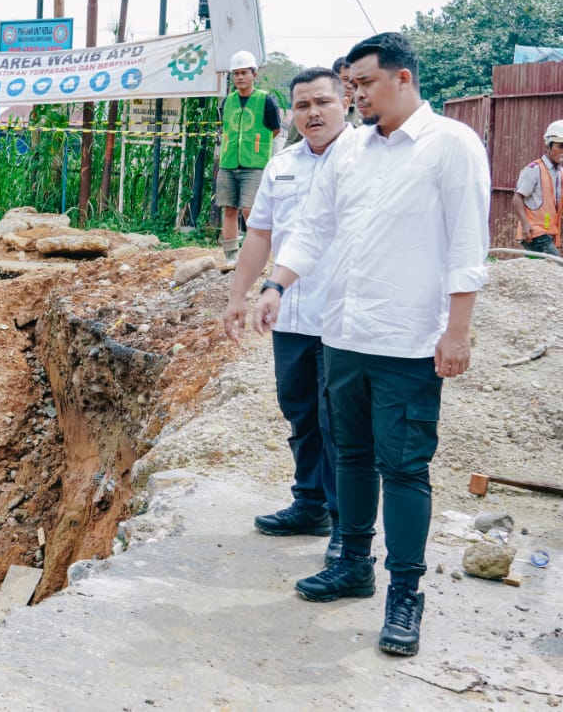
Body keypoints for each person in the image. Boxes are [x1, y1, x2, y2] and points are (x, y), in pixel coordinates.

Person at [250, 32, 490, 658]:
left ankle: (404, 595)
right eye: (349, 85)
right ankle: (351, 564)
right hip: (345, 336)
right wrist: (277, 283)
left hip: (409, 340)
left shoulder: (451, 147)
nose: (353, 96)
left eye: (363, 84)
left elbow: (468, 247)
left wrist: (457, 331)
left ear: (403, 79)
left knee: (405, 468)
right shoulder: (351, 152)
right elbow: (312, 230)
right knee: (350, 455)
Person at [223, 68, 350, 565]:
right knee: (299, 412)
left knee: (339, 422)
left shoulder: (364, 160)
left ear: (347, 103)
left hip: (345, 319)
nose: (313, 113)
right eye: (302, 105)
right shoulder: (283, 165)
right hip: (291, 316)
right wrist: (239, 294)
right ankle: (310, 504)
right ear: (291, 113)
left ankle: (347, 526)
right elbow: (261, 235)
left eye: (323, 102)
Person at [217, 49, 283, 269]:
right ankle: (230, 256)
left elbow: (274, 130)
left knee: (250, 210)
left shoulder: (265, 100)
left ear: (254, 74)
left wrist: (255, 146)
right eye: (236, 74)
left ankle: (255, 255)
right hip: (228, 163)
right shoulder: (228, 101)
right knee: (229, 209)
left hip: (254, 165)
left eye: (244, 72)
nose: (239, 77)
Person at [512, 119, 563, 257]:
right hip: (534, 233)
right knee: (555, 266)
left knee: (539, 272)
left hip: (547, 233)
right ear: (548, 146)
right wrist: (525, 225)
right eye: (560, 146)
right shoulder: (534, 169)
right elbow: (517, 198)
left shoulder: (559, 173)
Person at [332, 57, 364, 128]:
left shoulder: (363, 111)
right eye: (345, 79)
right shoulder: (321, 109)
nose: (350, 86)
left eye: (353, 81)